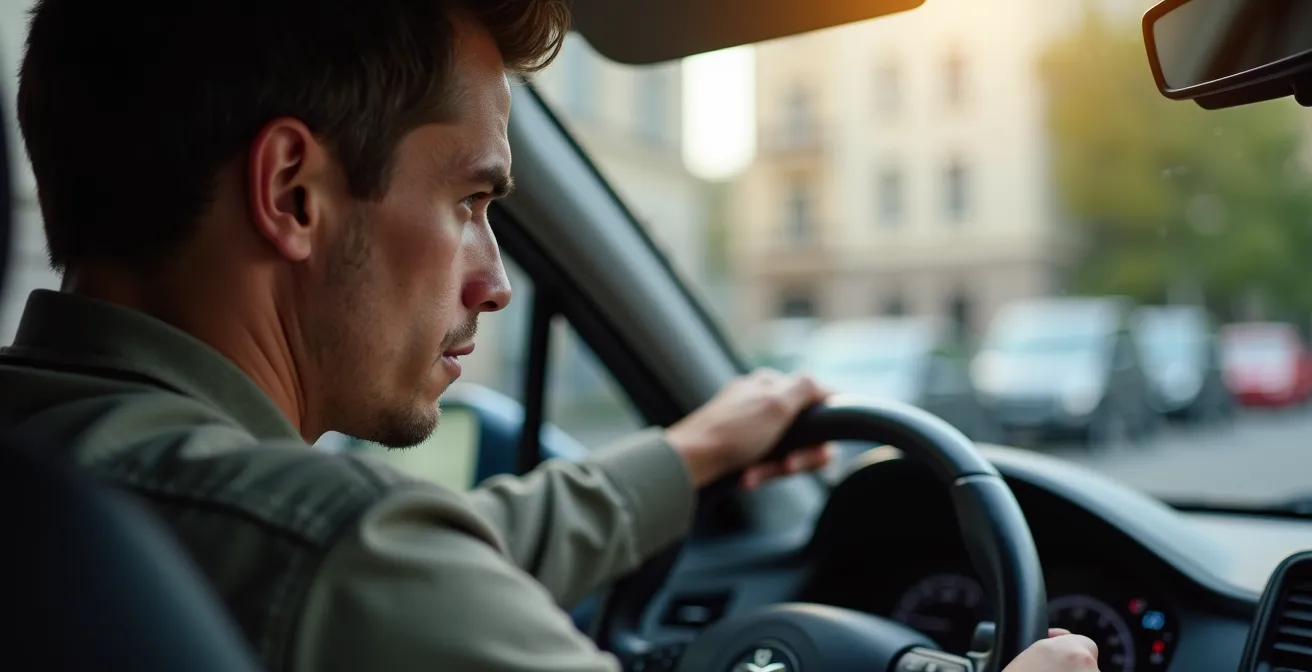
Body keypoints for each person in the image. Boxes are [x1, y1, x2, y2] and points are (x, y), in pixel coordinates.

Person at [0, 1, 1099, 670]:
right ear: (292, 192)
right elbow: (369, 563)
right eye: (472, 202)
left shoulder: (68, 472)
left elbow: (430, 552)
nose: (495, 284)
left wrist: (694, 452)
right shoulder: (332, 561)